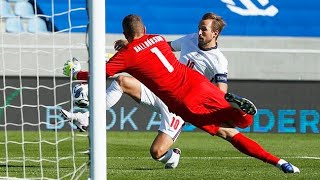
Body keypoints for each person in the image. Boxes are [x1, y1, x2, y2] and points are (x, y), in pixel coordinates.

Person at [62, 14, 300, 173]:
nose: (199, 32)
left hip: (185, 99)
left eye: (204, 29)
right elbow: (160, 49)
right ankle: (87, 117)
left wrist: (79, 73)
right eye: (199, 28)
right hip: (166, 90)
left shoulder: (219, 60)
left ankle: (172, 155)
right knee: (123, 81)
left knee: (158, 152)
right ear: (144, 30)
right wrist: (130, 49)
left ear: (215, 34)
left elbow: (221, 91)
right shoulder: (178, 39)